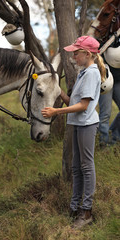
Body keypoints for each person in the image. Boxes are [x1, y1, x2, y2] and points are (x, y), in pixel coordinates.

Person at [41, 36, 106, 229]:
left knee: (86, 166)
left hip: (86, 124)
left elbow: (83, 106)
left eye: (76, 53)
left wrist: (56, 112)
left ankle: (86, 212)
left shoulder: (92, 73)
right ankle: (75, 206)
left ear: (87, 54)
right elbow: (72, 102)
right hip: (78, 124)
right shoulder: (84, 72)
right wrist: (58, 90)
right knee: (76, 168)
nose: (74, 56)